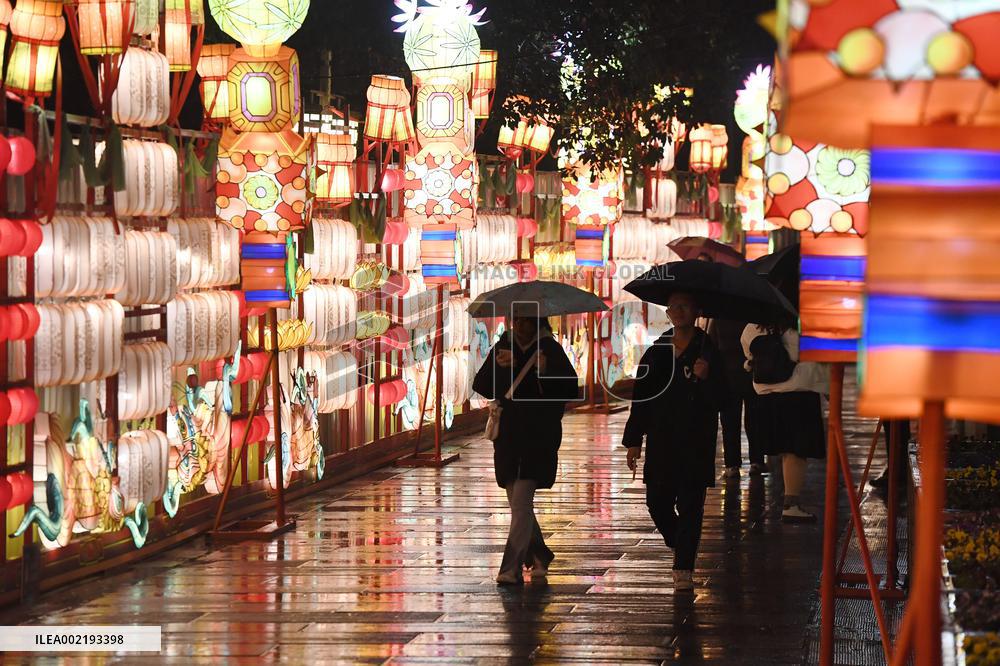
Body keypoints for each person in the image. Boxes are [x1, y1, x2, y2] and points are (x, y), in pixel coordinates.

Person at [622, 292, 725, 591]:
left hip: (696, 440)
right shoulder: (656, 352)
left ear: (696, 310)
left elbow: (725, 399)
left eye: (684, 305)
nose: (678, 311)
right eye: (673, 307)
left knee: (692, 505)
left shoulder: (708, 352)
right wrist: (634, 440)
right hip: (661, 440)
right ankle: (680, 540)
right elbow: (641, 398)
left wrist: (707, 378)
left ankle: (683, 567)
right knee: (657, 501)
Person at [473, 315, 579, 586]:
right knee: (519, 506)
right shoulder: (502, 346)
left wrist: (545, 370)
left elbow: (569, 389)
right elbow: (481, 385)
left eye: (527, 321)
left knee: (520, 505)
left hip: (537, 438)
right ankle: (540, 554)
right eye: (517, 321)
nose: (521, 327)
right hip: (508, 439)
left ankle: (511, 568)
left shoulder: (550, 349)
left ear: (538, 322)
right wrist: (501, 367)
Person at [741, 322, 828, 522]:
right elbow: (811, 356)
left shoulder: (751, 327)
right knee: (796, 451)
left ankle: (790, 502)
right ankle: (791, 504)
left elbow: (749, 356)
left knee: (784, 449)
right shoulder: (799, 328)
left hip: (767, 394)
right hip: (799, 394)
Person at [709, 318, 766, 479]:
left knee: (729, 422)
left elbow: (713, 346)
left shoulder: (719, 318)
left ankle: (732, 465)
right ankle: (756, 461)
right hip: (752, 375)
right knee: (754, 420)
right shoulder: (753, 317)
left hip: (728, 377)